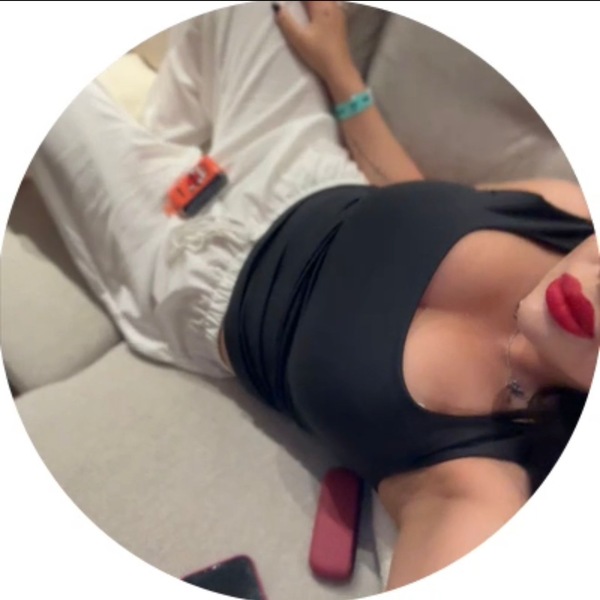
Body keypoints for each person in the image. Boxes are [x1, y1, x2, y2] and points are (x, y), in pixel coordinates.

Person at [29, 1, 596, 591]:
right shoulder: (573, 213)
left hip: (196, 271)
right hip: (303, 165)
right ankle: (161, 156)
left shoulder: (483, 484)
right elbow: (415, 191)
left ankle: (149, 163)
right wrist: (339, 69)